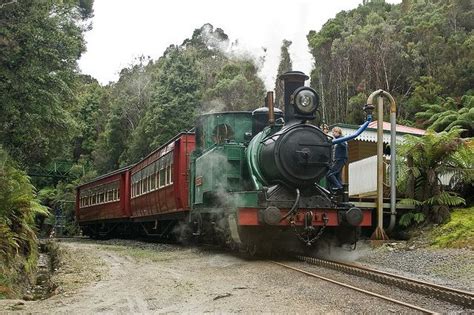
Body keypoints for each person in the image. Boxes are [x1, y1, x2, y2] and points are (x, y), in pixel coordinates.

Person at [327, 127, 348, 192]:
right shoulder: (336, 140)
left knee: (330, 174)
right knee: (338, 176)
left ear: (338, 132)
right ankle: (340, 190)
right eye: (333, 132)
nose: (333, 133)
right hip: (337, 160)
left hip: (340, 159)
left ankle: (339, 187)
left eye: (334, 132)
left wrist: (339, 142)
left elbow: (344, 146)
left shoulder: (342, 139)